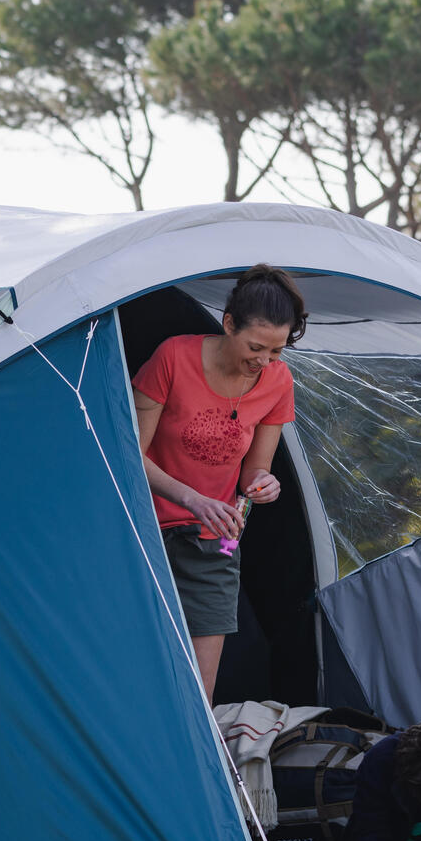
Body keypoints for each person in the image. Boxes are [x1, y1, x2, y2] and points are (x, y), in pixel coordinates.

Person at [131, 265, 306, 698]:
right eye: (256, 347)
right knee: (138, 664)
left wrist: (266, 486)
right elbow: (128, 456)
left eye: (277, 351)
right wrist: (193, 498)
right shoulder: (173, 358)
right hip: (142, 528)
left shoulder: (278, 382)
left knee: (199, 689)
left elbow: (253, 472)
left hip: (215, 540)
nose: (264, 361)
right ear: (229, 324)